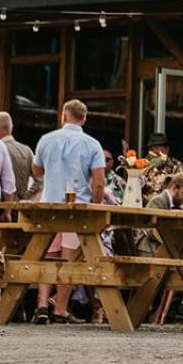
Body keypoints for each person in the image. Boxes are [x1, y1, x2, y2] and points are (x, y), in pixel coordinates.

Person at [30, 99, 107, 324]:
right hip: (77, 209)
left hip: (49, 206)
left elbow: (36, 170)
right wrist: (96, 207)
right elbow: (99, 183)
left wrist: (52, 168)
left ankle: (42, 305)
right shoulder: (92, 144)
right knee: (69, 260)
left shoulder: (46, 139)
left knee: (47, 257)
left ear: (63, 116)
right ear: (84, 119)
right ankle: (60, 308)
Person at [144, 173, 183, 325]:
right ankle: (155, 311)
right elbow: (149, 231)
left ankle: (181, 312)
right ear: (174, 188)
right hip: (150, 248)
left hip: (169, 250)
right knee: (172, 265)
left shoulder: (179, 205)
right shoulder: (157, 202)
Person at [0, 111, 35, 216]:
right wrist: (25, 196)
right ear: (11, 128)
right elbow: (40, 180)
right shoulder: (26, 150)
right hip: (20, 209)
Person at [141, 132, 183, 199]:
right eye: (151, 149)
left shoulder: (177, 166)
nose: (153, 151)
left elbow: (182, 190)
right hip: (145, 206)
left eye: (157, 147)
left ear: (166, 149)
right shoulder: (144, 165)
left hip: (166, 206)